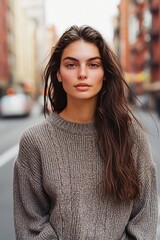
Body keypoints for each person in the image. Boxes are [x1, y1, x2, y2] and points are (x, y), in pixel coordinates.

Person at [13, 25, 158, 240]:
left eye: (93, 65)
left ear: (104, 74)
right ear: (59, 74)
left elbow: (144, 219)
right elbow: (30, 227)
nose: (82, 74)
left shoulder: (131, 136)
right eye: (71, 65)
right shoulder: (35, 141)